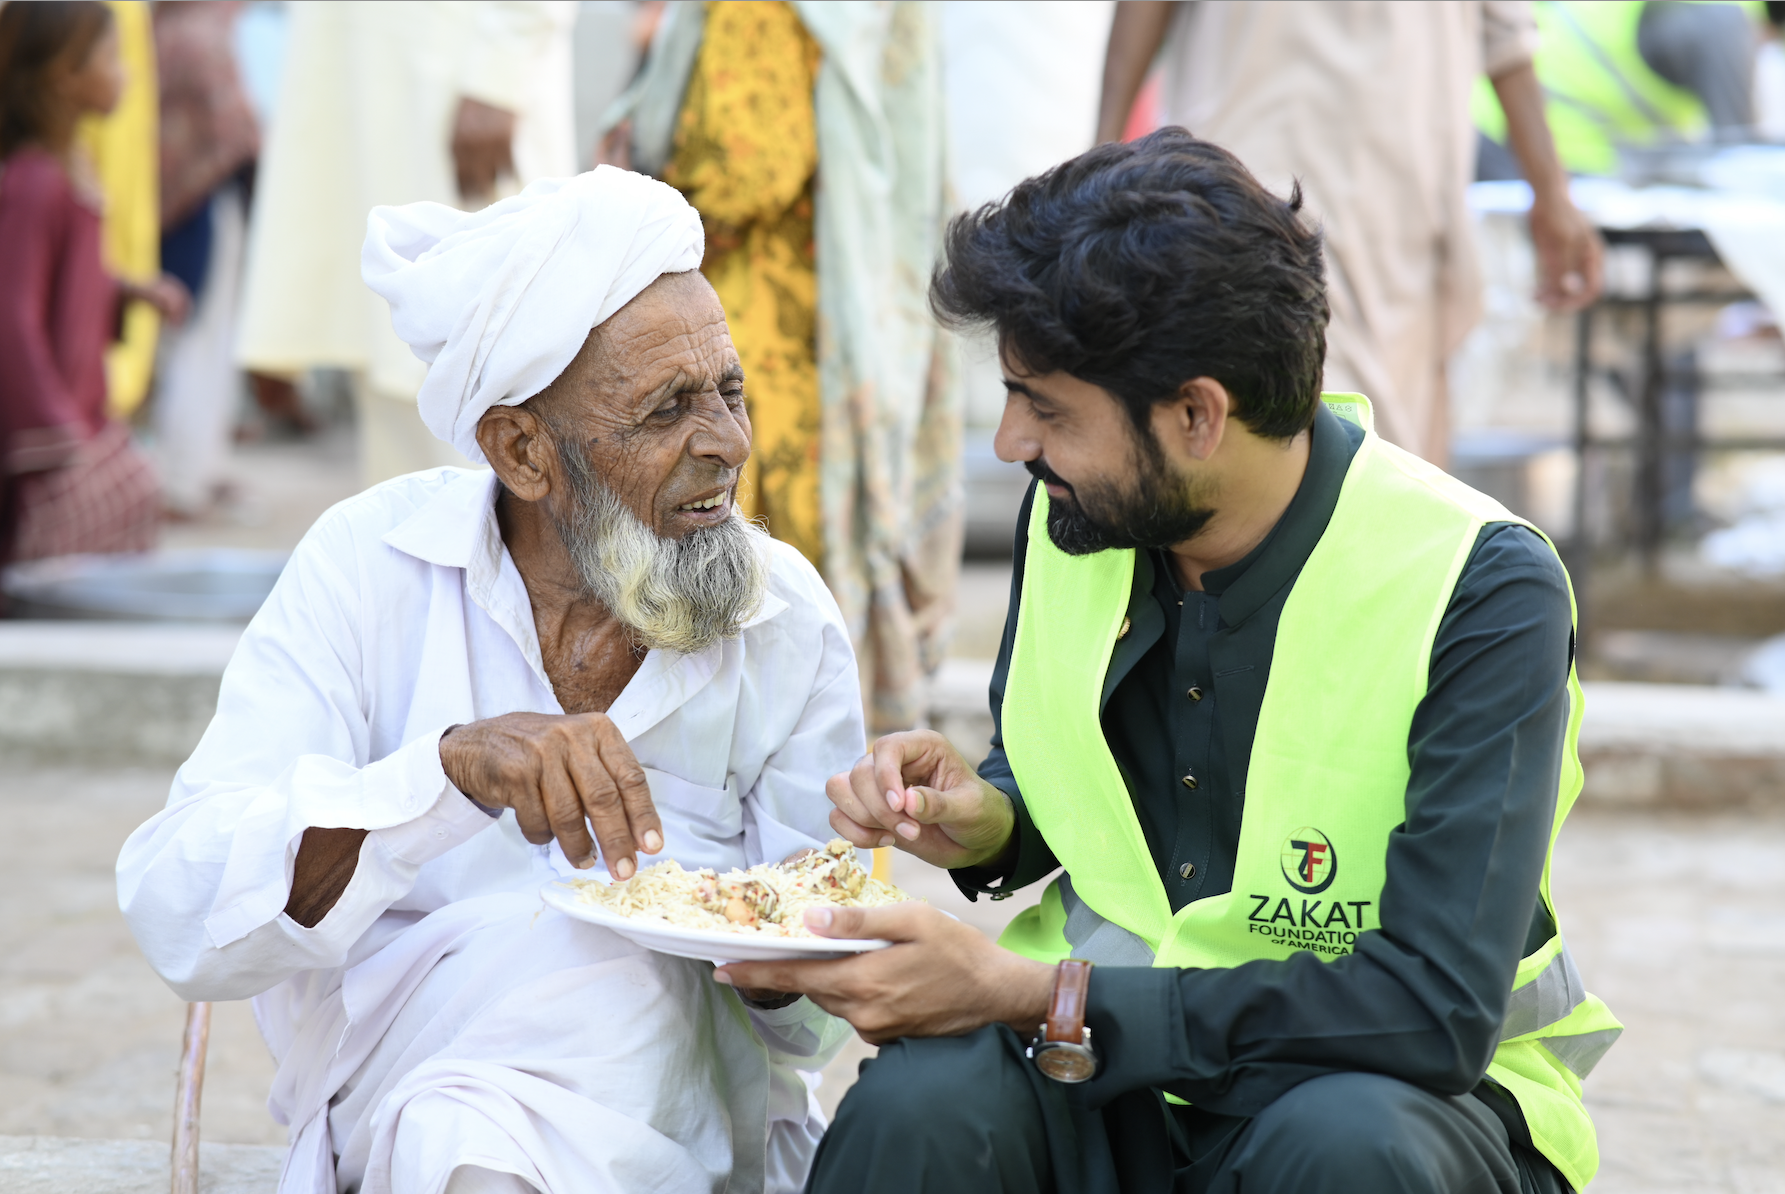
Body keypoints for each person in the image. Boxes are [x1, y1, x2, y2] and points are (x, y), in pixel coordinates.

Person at [716, 131, 1621, 1194]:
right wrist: (994, 816)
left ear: (1197, 414)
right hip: (1110, 1064)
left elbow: (1429, 1012)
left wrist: (1035, 993)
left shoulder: (1481, 588)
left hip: (1378, 1083)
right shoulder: (1079, 514)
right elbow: (1095, 783)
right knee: (918, 1115)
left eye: (1046, 407)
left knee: (1346, 1151)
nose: (1010, 442)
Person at [117, 169, 861, 1194]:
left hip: (695, 1124)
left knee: (601, 993)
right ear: (522, 451)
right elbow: (177, 908)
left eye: (730, 393)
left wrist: (795, 943)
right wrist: (442, 778)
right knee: (474, 1106)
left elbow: (812, 1034)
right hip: (405, 1096)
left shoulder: (787, 619)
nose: (727, 445)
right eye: (667, 410)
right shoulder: (368, 566)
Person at [607, 1, 961, 733]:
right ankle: (843, 836)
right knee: (803, 632)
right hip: (826, 331)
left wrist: (621, 184)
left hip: (749, 353)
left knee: (747, 622)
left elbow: (749, 165)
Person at [1097, 1, 1604, 466]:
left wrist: (1552, 191)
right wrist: (1102, 161)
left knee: (1392, 460)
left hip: (1400, 199)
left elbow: (1503, 29)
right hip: (1253, 180)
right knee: (1292, 434)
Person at [234, 0, 577, 488]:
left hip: (446, 94)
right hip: (361, 96)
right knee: (391, 372)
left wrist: (498, 77)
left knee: (473, 378)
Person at [0, 0, 187, 570]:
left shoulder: (68, 169)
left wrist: (127, 291)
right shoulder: (34, 183)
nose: (126, 73)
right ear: (65, 78)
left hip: (79, 414)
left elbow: (64, 279)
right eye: (112, 58)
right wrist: (51, 431)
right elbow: (12, 313)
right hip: (50, 429)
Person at [152, 0, 259, 517]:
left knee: (192, 337)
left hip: (174, 201)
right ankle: (184, 478)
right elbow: (236, 129)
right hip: (207, 201)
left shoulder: (161, 29)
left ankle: (200, 466)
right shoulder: (203, 34)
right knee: (202, 336)